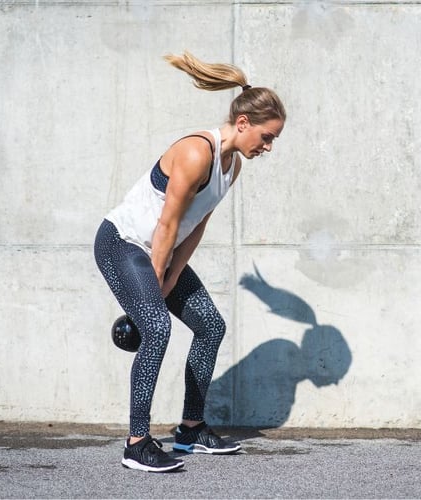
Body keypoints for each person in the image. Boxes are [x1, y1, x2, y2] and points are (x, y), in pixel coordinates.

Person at [94, 51, 286, 473]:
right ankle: (137, 442)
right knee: (157, 328)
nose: (268, 147)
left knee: (210, 326)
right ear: (243, 124)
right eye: (267, 137)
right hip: (123, 244)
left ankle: (191, 428)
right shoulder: (197, 152)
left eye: (273, 140)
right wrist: (155, 289)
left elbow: (195, 225)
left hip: (158, 251)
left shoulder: (231, 164)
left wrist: (171, 276)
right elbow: (166, 226)